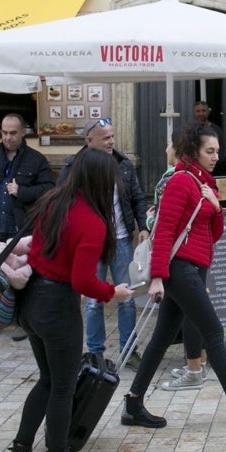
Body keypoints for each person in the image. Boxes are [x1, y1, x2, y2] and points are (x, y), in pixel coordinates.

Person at [4, 148, 133, 452]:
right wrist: (112, 293)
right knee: (62, 386)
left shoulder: (52, 202)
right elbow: (82, 280)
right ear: (102, 181)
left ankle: (20, 448)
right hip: (58, 306)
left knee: (47, 380)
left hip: (32, 300)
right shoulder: (91, 220)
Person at [120, 121, 226, 429]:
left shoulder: (204, 183)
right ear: (193, 151)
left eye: (217, 151)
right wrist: (157, 277)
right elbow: (165, 230)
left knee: (161, 338)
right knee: (212, 330)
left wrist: (216, 207)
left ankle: (132, 403)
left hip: (194, 266)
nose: (215, 156)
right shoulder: (181, 181)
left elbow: (214, 233)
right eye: (209, 151)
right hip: (180, 268)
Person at [70, 117, 148, 367]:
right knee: (93, 300)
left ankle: (129, 349)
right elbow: (65, 201)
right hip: (91, 243)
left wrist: (143, 226)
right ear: (89, 140)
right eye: (105, 137)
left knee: (126, 296)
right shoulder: (75, 166)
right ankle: (94, 353)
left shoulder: (123, 164)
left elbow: (137, 197)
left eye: (113, 136)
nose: (111, 141)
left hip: (121, 239)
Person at [150, 137, 210, 391]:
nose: (165, 149)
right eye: (211, 151)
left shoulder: (174, 179)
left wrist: (157, 274)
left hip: (181, 260)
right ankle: (197, 365)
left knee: (201, 322)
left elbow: (163, 226)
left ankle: (198, 370)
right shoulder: (201, 179)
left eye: (168, 145)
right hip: (194, 258)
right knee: (172, 326)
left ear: (178, 150)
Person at [0, 114, 54, 252]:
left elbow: (50, 189)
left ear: (23, 132)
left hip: (21, 230)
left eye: (13, 133)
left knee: (18, 273)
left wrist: (22, 191)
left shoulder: (37, 159)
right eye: (4, 133)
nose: (7, 138)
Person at [190, 100, 226, 176]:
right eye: (198, 111)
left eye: (203, 110)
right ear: (193, 112)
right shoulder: (190, 132)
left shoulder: (217, 130)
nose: (201, 113)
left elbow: (222, 155)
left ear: (208, 112)